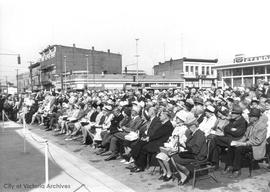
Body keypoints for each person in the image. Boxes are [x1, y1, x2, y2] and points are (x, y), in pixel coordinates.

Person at [225, 108, 267, 178]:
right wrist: (238, 142)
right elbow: (245, 136)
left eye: (250, 116)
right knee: (231, 145)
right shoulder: (250, 124)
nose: (249, 117)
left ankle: (237, 170)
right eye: (249, 116)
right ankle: (230, 165)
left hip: (255, 147)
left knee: (239, 149)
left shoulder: (262, 126)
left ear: (256, 118)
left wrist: (243, 143)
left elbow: (258, 141)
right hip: (248, 143)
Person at [170, 115, 207, 185]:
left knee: (175, 157)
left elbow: (196, 149)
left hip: (198, 156)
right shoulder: (193, 133)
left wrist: (185, 147)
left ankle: (185, 173)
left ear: (193, 126)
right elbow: (189, 145)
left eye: (188, 126)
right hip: (193, 153)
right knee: (173, 156)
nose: (188, 128)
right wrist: (183, 145)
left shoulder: (199, 134)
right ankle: (184, 174)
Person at [209, 104, 248, 169]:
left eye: (233, 113)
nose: (231, 114)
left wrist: (230, 130)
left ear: (239, 114)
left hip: (237, 140)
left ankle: (218, 164)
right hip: (229, 138)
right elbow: (225, 128)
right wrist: (231, 130)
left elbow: (238, 133)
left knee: (216, 140)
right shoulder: (232, 120)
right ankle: (214, 162)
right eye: (231, 113)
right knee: (214, 140)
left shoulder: (243, 122)